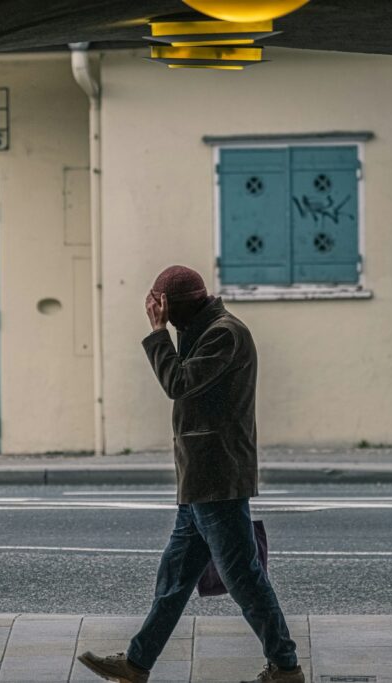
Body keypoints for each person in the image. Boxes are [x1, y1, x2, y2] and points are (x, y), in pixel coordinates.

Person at [76, 265, 303, 683]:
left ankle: (285, 667)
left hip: (217, 480)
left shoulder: (224, 334)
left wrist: (158, 331)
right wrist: (171, 326)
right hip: (200, 482)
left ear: (180, 308)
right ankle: (136, 664)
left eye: (166, 309)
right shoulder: (205, 329)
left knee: (245, 580)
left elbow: (177, 381)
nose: (162, 315)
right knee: (174, 580)